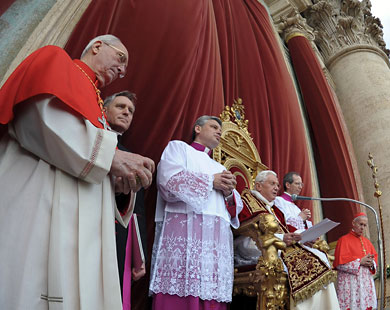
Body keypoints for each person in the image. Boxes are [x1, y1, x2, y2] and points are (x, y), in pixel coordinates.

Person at [0, 35, 155, 310]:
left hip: (82, 226)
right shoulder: (56, 61)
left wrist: (118, 183)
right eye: (121, 59)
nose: (122, 70)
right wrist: (111, 157)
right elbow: (39, 119)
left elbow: (92, 162)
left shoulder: (98, 104)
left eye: (125, 69)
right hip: (40, 198)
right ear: (97, 46)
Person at [149, 115, 243, 310]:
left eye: (220, 129)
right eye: (214, 126)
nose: (219, 131)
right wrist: (210, 182)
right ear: (198, 129)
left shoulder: (220, 168)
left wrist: (228, 194)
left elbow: (234, 210)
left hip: (214, 244)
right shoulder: (178, 148)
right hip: (185, 236)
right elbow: (168, 182)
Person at [235, 170, 340, 310]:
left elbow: (287, 227)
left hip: (279, 244)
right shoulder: (248, 201)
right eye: (272, 183)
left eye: (277, 185)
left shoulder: (274, 209)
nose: (276, 188)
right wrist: (280, 238)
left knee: (319, 256)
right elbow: (243, 228)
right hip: (253, 243)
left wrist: (303, 237)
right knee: (305, 260)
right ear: (259, 186)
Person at [103, 91, 147, 309]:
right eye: (120, 106)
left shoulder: (131, 157)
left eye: (130, 111)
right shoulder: (88, 142)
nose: (126, 112)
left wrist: (139, 256)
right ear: (104, 109)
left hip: (118, 236)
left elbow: (137, 212)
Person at [333, 212, 378, 310]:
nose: (362, 228)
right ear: (354, 223)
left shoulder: (367, 242)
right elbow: (340, 264)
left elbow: (375, 260)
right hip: (351, 286)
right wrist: (359, 262)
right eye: (360, 224)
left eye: (365, 225)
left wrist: (372, 263)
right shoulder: (343, 240)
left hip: (366, 284)